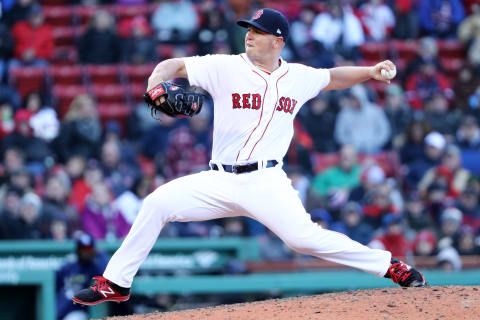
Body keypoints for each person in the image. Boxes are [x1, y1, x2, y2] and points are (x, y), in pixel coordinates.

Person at [73, 8, 426, 306]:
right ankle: (116, 283)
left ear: (278, 41)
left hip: (266, 181)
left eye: (258, 31)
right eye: (248, 30)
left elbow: (333, 77)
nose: (250, 35)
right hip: (219, 178)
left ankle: (389, 266)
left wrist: (368, 72)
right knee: (155, 204)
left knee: (303, 239)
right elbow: (171, 65)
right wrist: (154, 83)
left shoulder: (298, 77)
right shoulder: (225, 66)